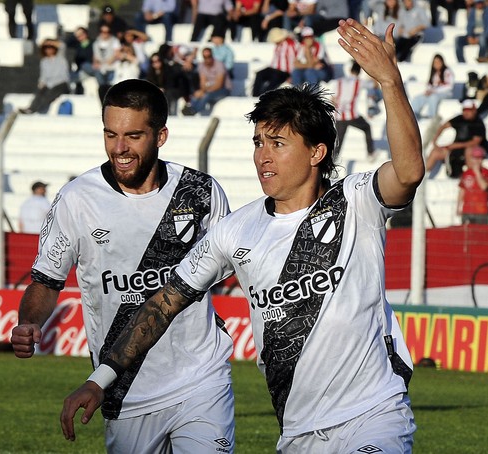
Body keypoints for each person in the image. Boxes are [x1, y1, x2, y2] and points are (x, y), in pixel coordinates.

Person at [61, 19, 421, 453]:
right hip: (297, 433)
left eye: (277, 143)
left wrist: (388, 81)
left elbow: (409, 171)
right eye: (257, 143)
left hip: (374, 415)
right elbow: (163, 302)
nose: (262, 157)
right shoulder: (235, 231)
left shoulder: (356, 201)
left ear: (316, 153)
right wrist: (100, 380)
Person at [11, 79, 235, 453]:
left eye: (133, 136)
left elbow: (229, 271)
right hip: (121, 385)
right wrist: (30, 321)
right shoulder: (77, 199)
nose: (119, 148)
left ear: (161, 135)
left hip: (201, 377)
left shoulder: (201, 193)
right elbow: (46, 281)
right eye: (110, 134)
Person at [426, 99, 488, 178]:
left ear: (474, 110)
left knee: (469, 150)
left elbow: (475, 142)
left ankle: (471, 177)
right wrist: (435, 141)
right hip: (457, 148)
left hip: (475, 149)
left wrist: (455, 145)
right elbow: (443, 126)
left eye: (469, 110)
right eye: (464, 110)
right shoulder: (459, 119)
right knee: (435, 152)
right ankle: (423, 176)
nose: (466, 112)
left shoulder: (478, 123)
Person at [333, 61, 376, 161]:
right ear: (359, 72)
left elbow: (333, 99)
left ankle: (331, 163)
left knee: (338, 143)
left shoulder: (339, 81)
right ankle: (370, 153)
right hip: (352, 116)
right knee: (367, 128)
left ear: (350, 70)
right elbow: (374, 85)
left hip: (339, 116)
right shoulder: (359, 82)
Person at [19, 39, 70, 114]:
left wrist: (50, 42)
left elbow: (62, 46)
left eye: (50, 48)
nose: (48, 50)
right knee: (40, 92)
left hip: (62, 83)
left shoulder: (60, 58)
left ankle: (40, 108)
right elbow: (43, 76)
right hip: (49, 84)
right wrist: (41, 83)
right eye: (46, 48)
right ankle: (31, 109)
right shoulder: (44, 62)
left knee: (50, 93)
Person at [182, 47, 231, 116]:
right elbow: (203, 82)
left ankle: (193, 110)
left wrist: (205, 91)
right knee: (197, 94)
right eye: (205, 57)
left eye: (209, 56)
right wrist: (202, 91)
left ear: (212, 55)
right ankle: (190, 107)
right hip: (210, 89)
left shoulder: (219, 65)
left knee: (207, 95)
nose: (207, 59)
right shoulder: (202, 66)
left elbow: (219, 84)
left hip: (223, 89)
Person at [251, 28, 297, 96]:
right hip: (274, 69)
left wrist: (291, 75)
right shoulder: (278, 46)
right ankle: (255, 95)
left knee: (275, 78)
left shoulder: (290, 45)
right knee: (260, 74)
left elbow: (293, 61)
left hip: (284, 72)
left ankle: (264, 96)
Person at [410, 53, 454, 119]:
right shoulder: (434, 73)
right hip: (433, 92)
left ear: (442, 62)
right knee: (417, 98)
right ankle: (414, 116)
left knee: (433, 97)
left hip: (445, 93)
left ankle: (431, 117)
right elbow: (430, 84)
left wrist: (434, 91)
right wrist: (429, 90)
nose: (437, 64)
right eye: (435, 62)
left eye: (438, 62)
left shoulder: (447, 71)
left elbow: (449, 86)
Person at [457, 145, 488, 225]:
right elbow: (462, 190)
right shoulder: (466, 173)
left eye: (480, 158)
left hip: (481, 211)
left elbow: (484, 187)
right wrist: (459, 206)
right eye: (475, 158)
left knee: (481, 235)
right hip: (467, 210)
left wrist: (477, 172)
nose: (477, 161)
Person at [92, 24, 122, 98]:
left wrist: (107, 63)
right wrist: (96, 62)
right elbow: (95, 56)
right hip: (101, 67)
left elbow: (116, 54)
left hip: (112, 66)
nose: (104, 33)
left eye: (106, 31)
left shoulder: (115, 41)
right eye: (102, 31)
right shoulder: (96, 42)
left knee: (109, 83)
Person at [65, 27, 96, 95]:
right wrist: (73, 35)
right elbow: (67, 43)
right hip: (80, 70)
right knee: (67, 77)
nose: (79, 37)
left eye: (81, 34)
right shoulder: (77, 45)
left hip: (90, 68)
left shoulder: (93, 43)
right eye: (77, 35)